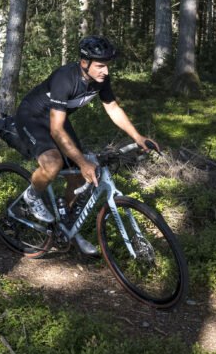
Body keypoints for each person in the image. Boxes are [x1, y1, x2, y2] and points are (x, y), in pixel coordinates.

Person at [13, 35, 160, 256]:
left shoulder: (101, 79)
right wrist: (82, 162)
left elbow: (113, 108)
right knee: (53, 164)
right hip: (32, 117)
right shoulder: (65, 78)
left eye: (107, 65)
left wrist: (137, 136)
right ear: (84, 62)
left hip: (57, 119)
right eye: (100, 66)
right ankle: (31, 196)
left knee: (78, 178)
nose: (106, 71)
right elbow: (56, 131)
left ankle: (67, 228)